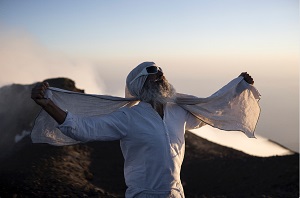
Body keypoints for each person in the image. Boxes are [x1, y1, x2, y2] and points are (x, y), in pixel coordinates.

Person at [31, 62, 256, 198]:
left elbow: (210, 109)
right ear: (140, 84)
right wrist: (48, 104)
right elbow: (83, 129)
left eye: (161, 72)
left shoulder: (178, 111)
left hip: (176, 193)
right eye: (153, 74)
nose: (160, 76)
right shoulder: (129, 117)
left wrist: (237, 88)